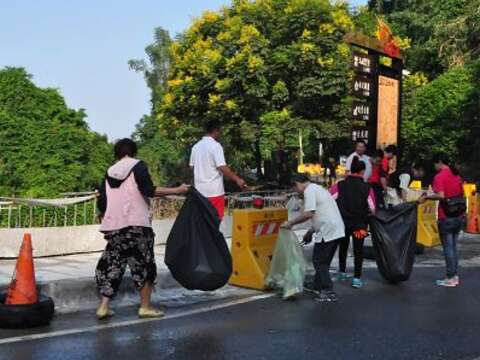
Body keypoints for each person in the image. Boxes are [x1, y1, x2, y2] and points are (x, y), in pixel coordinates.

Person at [95, 138, 189, 320]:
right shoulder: (138, 166)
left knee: (113, 265)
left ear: (117, 154)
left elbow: (103, 202)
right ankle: (145, 307)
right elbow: (148, 190)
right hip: (137, 226)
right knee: (144, 265)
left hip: (114, 228)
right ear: (133, 152)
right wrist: (178, 190)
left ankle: (103, 307)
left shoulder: (108, 172)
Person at [282, 174, 345, 303]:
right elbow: (320, 213)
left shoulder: (309, 190)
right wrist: (310, 232)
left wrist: (291, 223)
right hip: (334, 229)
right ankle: (317, 286)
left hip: (328, 230)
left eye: (295, 188)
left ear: (297, 184)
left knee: (319, 261)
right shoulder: (317, 188)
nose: (296, 191)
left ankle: (328, 291)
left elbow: (309, 213)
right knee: (322, 260)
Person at [418, 154, 465, 287]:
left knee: (448, 249)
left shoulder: (439, 177)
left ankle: (450, 277)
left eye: (434, 164)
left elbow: (441, 195)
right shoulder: (456, 175)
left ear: (439, 162)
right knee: (454, 248)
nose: (434, 167)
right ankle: (455, 276)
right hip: (459, 215)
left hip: (447, 216)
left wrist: (427, 196)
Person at [331, 157, 376, 288]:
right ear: (362, 171)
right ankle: (356, 278)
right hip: (360, 225)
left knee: (343, 247)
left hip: (343, 223)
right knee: (358, 250)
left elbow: (330, 199)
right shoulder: (367, 188)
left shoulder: (340, 185)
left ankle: (342, 271)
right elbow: (372, 209)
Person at [190, 120, 247, 220]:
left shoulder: (195, 147)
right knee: (215, 222)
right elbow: (222, 167)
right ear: (215, 130)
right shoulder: (216, 146)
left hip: (199, 193)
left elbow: (192, 167)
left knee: (203, 224)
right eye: (220, 130)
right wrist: (238, 179)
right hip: (214, 193)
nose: (220, 133)